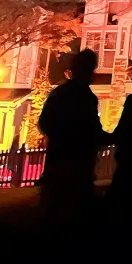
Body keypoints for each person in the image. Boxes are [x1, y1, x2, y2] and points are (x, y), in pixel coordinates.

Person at [37, 48, 107, 224]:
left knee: (54, 211)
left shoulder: (59, 93)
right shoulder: (86, 98)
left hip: (57, 160)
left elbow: (44, 122)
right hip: (78, 165)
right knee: (78, 212)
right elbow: (93, 130)